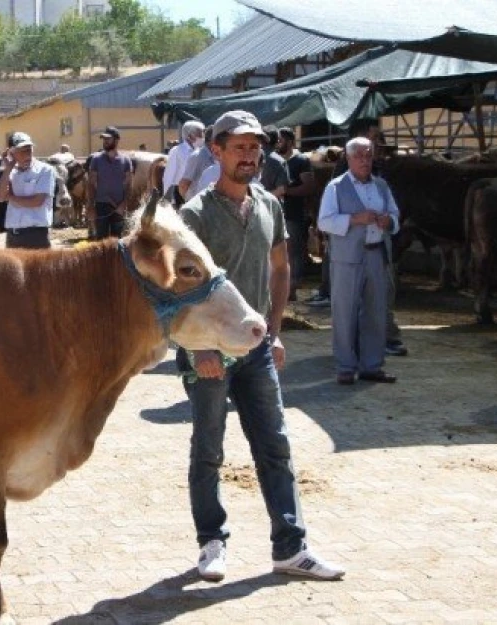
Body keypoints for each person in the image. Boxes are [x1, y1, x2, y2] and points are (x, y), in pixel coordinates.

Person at [178, 109, 344, 583]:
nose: (250, 156)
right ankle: (212, 543)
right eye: (240, 148)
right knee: (208, 449)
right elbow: (178, 289)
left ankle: (291, 548)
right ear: (217, 151)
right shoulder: (195, 214)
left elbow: (281, 267)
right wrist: (200, 349)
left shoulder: (269, 205)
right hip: (207, 353)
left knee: (275, 447)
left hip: (254, 351)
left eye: (255, 148)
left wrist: (274, 333)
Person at [321, 120, 408, 357]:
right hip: (348, 253)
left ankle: (375, 355)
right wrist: (355, 219)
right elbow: (325, 221)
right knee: (347, 307)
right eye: (360, 156)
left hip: (377, 251)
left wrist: (389, 222)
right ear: (350, 158)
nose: (365, 160)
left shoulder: (380, 182)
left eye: (369, 155)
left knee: (378, 304)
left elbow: (395, 214)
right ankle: (346, 358)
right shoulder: (337, 183)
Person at [0, 131, 55, 249]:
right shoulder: (11, 172)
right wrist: (8, 169)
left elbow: (37, 201)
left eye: (29, 150)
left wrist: (10, 197)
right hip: (13, 235)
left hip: (35, 235)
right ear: (11, 153)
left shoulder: (45, 170)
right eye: (22, 151)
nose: (27, 155)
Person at [276, 127, 314, 300]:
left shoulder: (301, 161)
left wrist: (285, 191)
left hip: (293, 214)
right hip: (277, 214)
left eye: (281, 140)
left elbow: (309, 186)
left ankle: (291, 289)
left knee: (294, 253)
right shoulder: (274, 161)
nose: (278, 143)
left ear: (290, 141)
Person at [84, 126, 133, 239]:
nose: (105, 141)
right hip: (101, 206)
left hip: (119, 206)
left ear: (116, 140)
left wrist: (123, 205)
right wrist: (91, 206)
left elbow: (129, 185)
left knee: (117, 242)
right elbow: (91, 184)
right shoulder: (96, 159)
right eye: (104, 139)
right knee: (101, 243)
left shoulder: (125, 160)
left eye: (108, 139)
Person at [162, 120, 205, 198]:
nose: (202, 137)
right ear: (190, 136)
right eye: (200, 134)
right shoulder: (177, 151)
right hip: (180, 192)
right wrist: (165, 196)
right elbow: (169, 175)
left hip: (196, 192)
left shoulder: (201, 151)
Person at [177, 125, 217, 204]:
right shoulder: (197, 156)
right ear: (212, 141)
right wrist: (189, 202)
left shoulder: (216, 156)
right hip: (196, 204)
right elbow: (183, 184)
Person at [259, 126, 289, 202]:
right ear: (277, 141)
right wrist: (261, 199)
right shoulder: (279, 161)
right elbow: (281, 190)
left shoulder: (249, 157)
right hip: (271, 207)